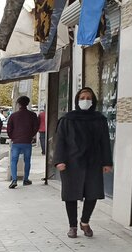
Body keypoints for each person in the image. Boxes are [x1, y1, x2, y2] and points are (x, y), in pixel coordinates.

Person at [54, 87, 113, 238]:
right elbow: (60, 141)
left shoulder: (100, 119)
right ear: (77, 100)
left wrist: (107, 162)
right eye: (82, 98)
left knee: (92, 193)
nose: (85, 100)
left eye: (88, 98)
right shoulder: (67, 119)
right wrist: (59, 160)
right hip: (71, 162)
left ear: (93, 101)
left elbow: (105, 142)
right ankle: (72, 226)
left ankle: (84, 222)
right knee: (71, 195)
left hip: (93, 161)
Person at [6, 96, 39, 188]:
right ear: (28, 103)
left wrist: (13, 137)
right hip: (27, 142)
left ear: (19, 104)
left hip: (16, 142)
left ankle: (14, 179)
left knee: (14, 160)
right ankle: (26, 179)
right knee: (27, 160)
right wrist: (30, 136)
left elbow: (9, 129)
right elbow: (36, 127)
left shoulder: (13, 115)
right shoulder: (32, 115)